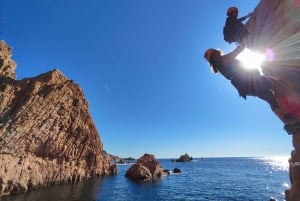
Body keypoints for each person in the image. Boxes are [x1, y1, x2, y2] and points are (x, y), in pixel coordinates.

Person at [204, 45, 287, 123]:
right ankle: (288, 114)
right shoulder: (223, 59)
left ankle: (287, 122)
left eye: (215, 51)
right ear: (213, 56)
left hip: (244, 87)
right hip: (250, 80)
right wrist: (245, 41)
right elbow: (236, 51)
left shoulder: (218, 66)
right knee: (278, 84)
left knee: (269, 97)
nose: (216, 52)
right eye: (214, 52)